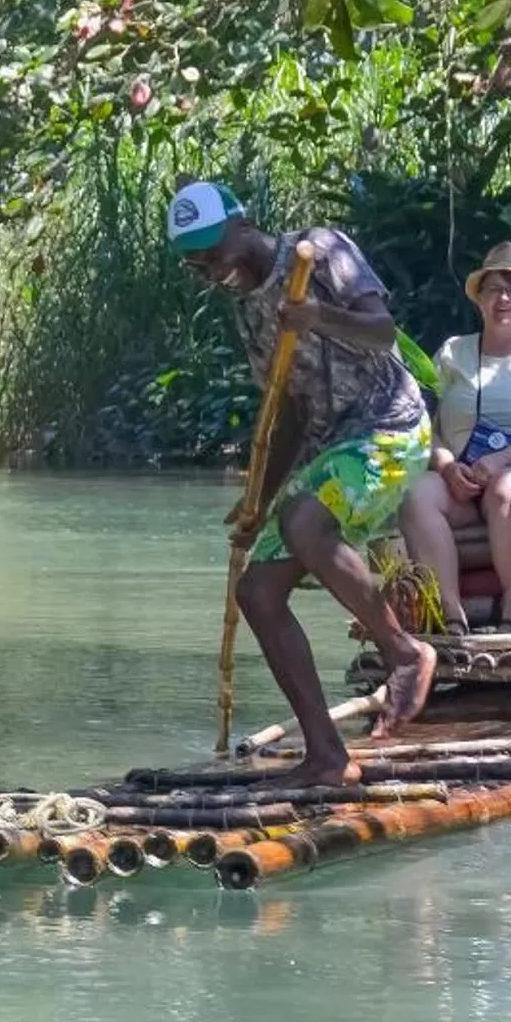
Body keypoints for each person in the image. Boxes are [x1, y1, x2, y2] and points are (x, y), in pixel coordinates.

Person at [169, 181, 436, 777]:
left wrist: (318, 316)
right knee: (257, 593)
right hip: (328, 451)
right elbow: (287, 412)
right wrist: (255, 502)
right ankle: (326, 753)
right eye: (198, 262)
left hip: (390, 428)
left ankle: (405, 652)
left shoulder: (320, 250)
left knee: (306, 520)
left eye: (216, 251)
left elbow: (381, 330)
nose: (213, 268)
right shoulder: (249, 314)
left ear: (243, 227)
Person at [397, 242, 511, 630]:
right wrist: (446, 466)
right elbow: (421, 424)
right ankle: (450, 614)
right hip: (459, 476)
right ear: (479, 299)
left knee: (506, 489)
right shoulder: (452, 352)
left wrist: (501, 459)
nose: (504, 298)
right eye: (493, 288)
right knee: (417, 495)